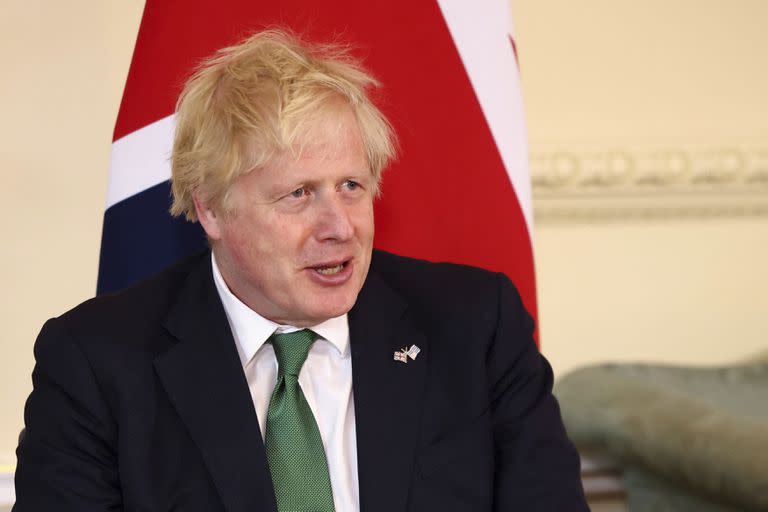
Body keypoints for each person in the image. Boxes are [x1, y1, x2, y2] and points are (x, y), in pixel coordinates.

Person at [14, 29, 588, 511]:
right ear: (211, 207)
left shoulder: (473, 327)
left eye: (351, 186)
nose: (339, 226)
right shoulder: (97, 361)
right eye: (297, 194)